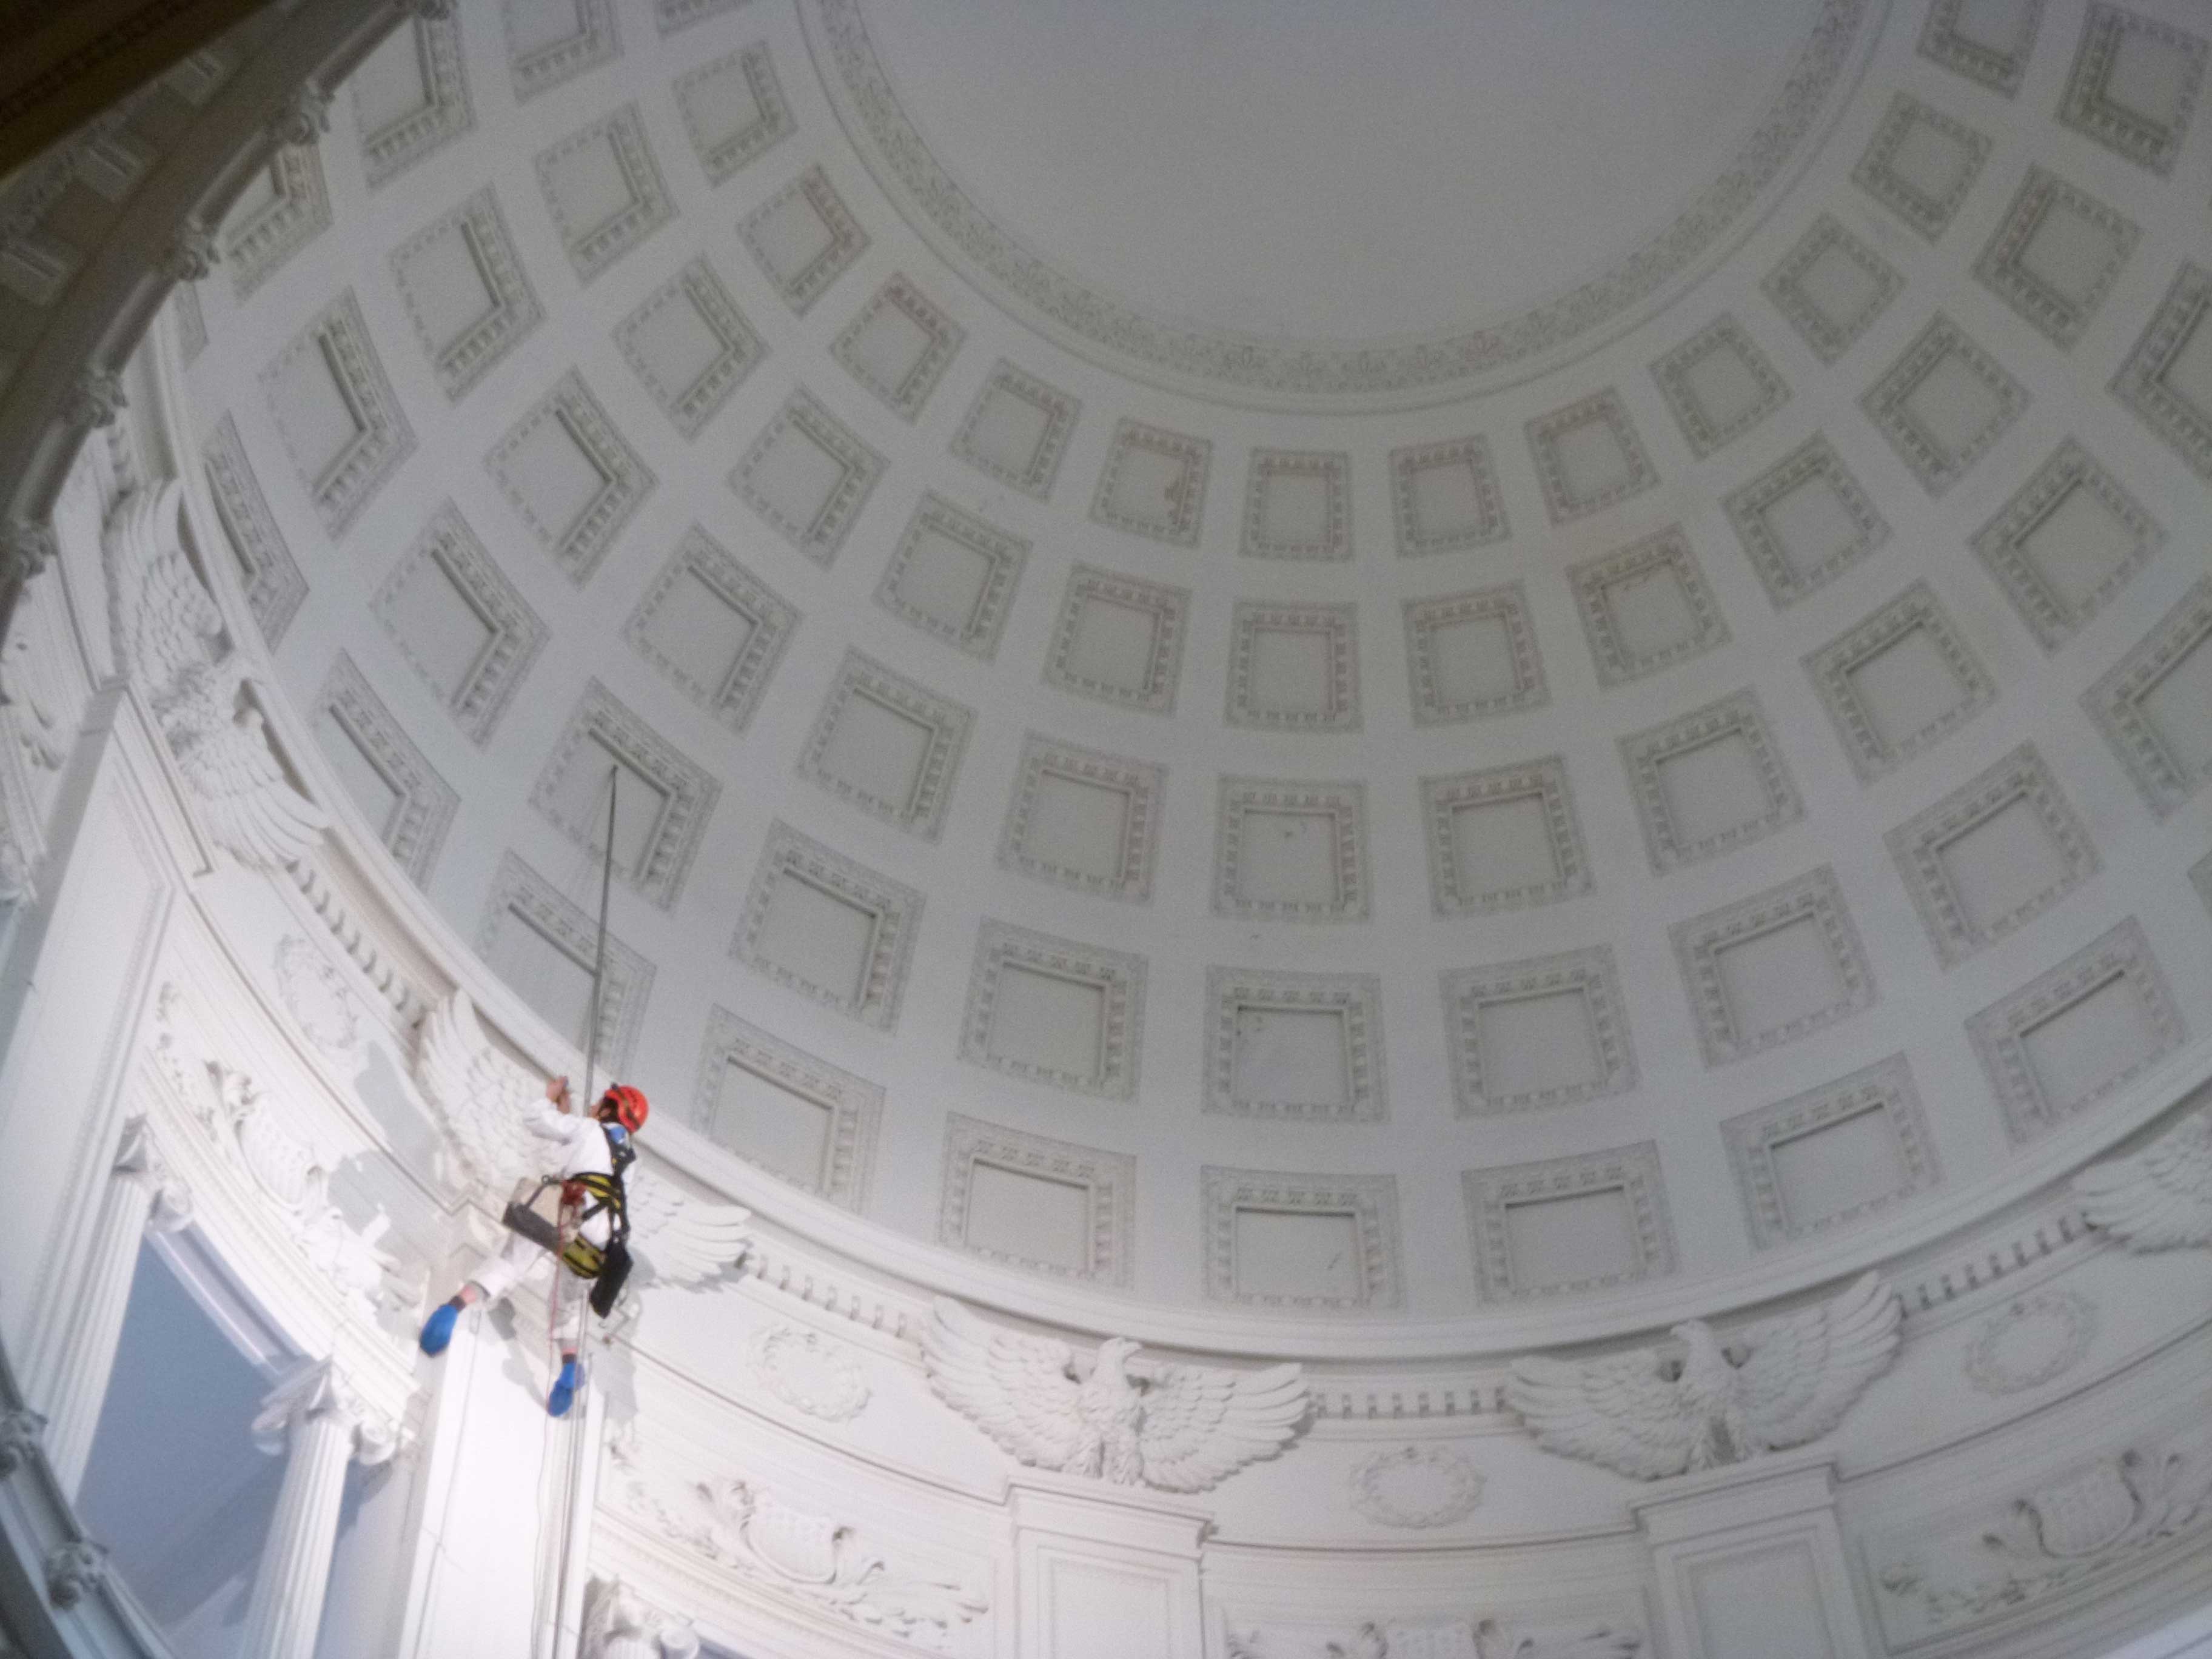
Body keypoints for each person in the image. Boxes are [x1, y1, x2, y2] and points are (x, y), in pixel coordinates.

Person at [418, 1074, 646, 1416]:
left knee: (510, 1262)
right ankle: (569, 1367)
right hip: (602, 1236)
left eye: (601, 1101)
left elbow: (536, 1120)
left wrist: (550, 1098)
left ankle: (449, 1313)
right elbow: (591, 1160)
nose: (594, 1104)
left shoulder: (588, 1129)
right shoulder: (630, 1159)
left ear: (611, 1109)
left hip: (569, 1211)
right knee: (568, 1304)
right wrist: (571, 1115)